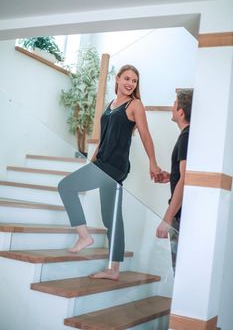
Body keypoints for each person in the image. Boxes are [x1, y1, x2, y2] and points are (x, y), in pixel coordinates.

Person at [58, 64, 162, 280]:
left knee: (65, 186)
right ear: (117, 79)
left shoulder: (135, 105)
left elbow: (145, 135)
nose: (130, 83)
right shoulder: (111, 104)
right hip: (102, 162)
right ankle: (113, 269)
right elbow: (104, 138)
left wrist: (153, 163)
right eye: (126, 78)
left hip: (114, 166)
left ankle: (84, 237)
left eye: (134, 80)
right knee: (111, 217)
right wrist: (93, 159)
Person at [156, 88, 193, 271]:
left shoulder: (186, 137)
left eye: (174, 104)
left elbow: (185, 180)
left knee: (179, 271)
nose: (172, 107)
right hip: (184, 214)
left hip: (180, 216)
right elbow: (187, 176)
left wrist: (167, 218)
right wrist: (172, 176)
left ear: (181, 111)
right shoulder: (189, 135)